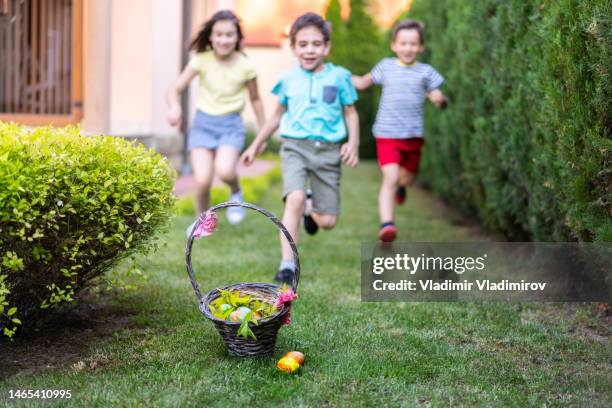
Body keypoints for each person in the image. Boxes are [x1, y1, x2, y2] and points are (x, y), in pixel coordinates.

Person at [241, 12, 359, 284]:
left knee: (327, 221)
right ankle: (287, 265)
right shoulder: (288, 79)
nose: (309, 50)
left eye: (316, 44)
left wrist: (352, 142)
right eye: (303, 44)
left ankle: (310, 208)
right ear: (293, 47)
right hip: (295, 147)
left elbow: (351, 113)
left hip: (328, 151)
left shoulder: (340, 77)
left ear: (327, 47)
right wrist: (256, 144)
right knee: (293, 198)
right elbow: (275, 116)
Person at [166, 10, 265, 235]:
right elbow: (175, 88)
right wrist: (174, 106)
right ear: (210, 37)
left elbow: (256, 99)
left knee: (225, 170)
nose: (223, 40)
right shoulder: (201, 60)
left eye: (229, 35)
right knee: (201, 180)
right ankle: (205, 223)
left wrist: (261, 135)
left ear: (237, 38)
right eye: (218, 34)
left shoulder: (246, 66)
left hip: (230, 125)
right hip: (203, 124)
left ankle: (236, 191)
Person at [352, 19, 448, 242]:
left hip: (413, 136)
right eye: (403, 43)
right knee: (391, 176)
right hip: (387, 135)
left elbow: (442, 100)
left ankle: (401, 188)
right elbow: (363, 82)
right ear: (394, 45)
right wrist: (341, 76)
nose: (408, 48)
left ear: (421, 47)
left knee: (406, 179)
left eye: (413, 44)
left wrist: (439, 99)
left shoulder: (426, 72)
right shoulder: (385, 66)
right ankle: (387, 225)